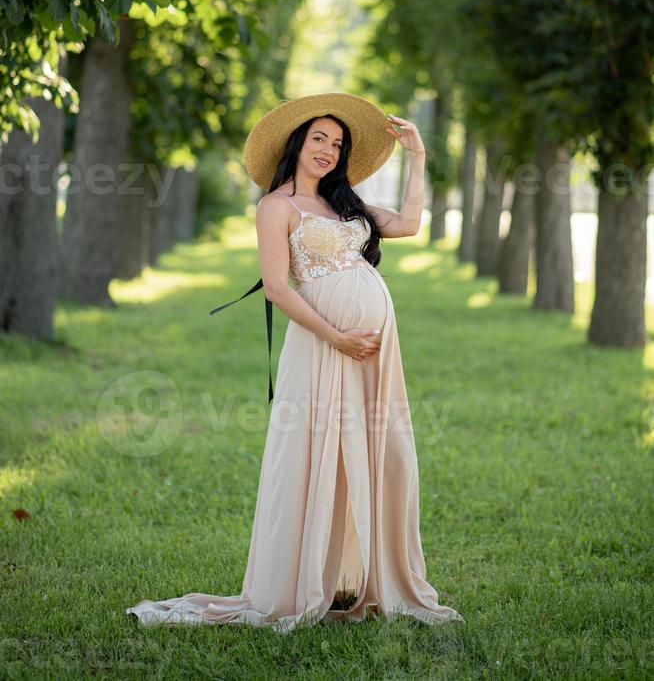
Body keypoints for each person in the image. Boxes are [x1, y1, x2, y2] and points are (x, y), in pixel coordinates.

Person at [126, 92, 464, 632]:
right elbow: (279, 290)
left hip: (372, 351)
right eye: (318, 139)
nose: (328, 150)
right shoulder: (276, 207)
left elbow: (407, 224)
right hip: (322, 346)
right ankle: (303, 580)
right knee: (315, 452)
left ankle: (368, 576)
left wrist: (418, 158)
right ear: (298, 144)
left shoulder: (343, 204)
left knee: (384, 448)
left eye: (337, 143)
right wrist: (339, 338)